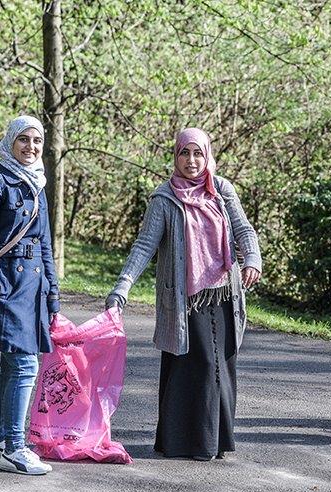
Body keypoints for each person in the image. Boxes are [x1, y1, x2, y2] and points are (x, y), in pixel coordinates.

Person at [106, 128, 261, 461]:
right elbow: (145, 245)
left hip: (224, 294)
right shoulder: (165, 199)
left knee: (223, 366)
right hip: (185, 300)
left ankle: (216, 442)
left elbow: (242, 228)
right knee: (199, 365)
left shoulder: (221, 190)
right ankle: (184, 442)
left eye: (198, 154)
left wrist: (252, 258)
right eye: (184, 154)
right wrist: (123, 285)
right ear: (175, 157)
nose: (191, 161)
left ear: (207, 156)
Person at [0, 116, 60, 475]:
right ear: (10, 141)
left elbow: (45, 244)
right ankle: (16, 447)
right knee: (25, 365)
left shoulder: (37, 184)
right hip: (6, 285)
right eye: (24, 140)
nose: (31, 147)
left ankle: (0, 441)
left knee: (13, 366)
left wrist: (53, 293)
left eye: (37, 141)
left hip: (33, 287)